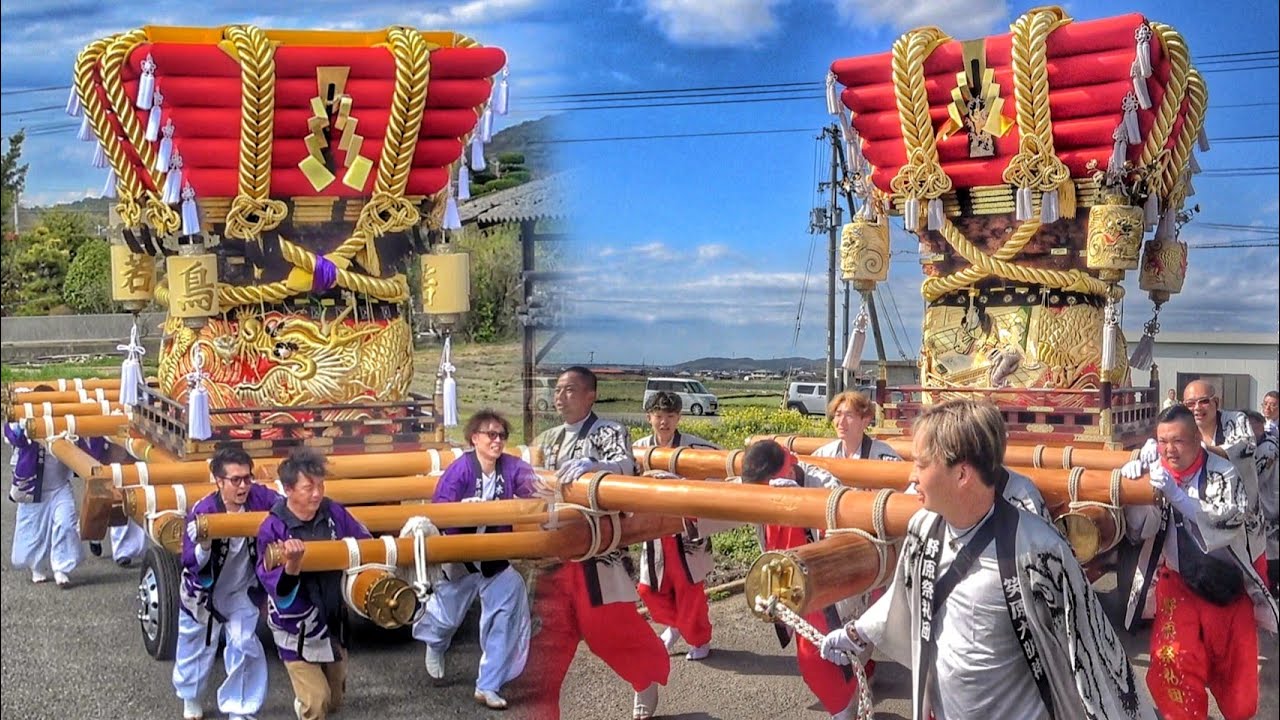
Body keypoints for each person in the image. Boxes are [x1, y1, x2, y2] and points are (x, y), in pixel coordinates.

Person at [820, 399, 1155, 720]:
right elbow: (905, 595)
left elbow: (1092, 647)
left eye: (922, 464)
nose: (912, 476)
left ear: (962, 474)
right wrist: (858, 631)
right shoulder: (924, 528)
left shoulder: (1037, 548)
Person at [1120, 405, 1277, 720]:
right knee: (1172, 662)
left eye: (1177, 441)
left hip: (1228, 588)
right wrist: (1138, 493)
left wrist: (1177, 496)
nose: (1169, 449)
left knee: (1240, 693)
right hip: (1179, 586)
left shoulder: (1224, 471)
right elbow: (1140, 533)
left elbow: (1227, 524)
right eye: (1162, 442)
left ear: (1196, 438)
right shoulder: (1158, 470)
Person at [530, 366, 669, 720]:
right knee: (544, 646)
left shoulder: (609, 430)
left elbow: (624, 464)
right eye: (558, 390)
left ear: (591, 395)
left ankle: (643, 677)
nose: (560, 397)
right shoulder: (546, 439)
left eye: (570, 390)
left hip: (597, 553)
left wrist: (594, 466)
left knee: (607, 632)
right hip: (552, 552)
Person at [414, 410, 538, 710]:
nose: (497, 440)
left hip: (495, 558)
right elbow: (440, 511)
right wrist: (466, 510)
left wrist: (560, 484)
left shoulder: (510, 467)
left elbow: (535, 485)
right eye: (490, 435)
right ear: (475, 438)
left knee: (507, 609)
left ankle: (489, 684)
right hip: (460, 557)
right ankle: (436, 643)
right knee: (445, 617)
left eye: (501, 435)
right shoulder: (460, 470)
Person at [742, 440, 863, 720]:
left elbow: (847, 521)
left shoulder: (822, 482)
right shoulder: (755, 486)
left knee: (820, 657)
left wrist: (805, 504)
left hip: (826, 580)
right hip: (788, 580)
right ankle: (848, 700)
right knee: (824, 656)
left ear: (786, 472)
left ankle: (845, 710)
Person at [256, 447, 371, 720]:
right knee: (317, 703)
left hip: (332, 619)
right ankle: (308, 706)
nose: (317, 493)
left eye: (321, 485)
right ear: (288, 489)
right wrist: (293, 565)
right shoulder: (272, 528)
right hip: (295, 626)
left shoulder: (333, 512)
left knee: (334, 700)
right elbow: (275, 586)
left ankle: (306, 706)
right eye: (309, 488)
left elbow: (363, 543)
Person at [174, 446, 280, 720]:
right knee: (196, 645)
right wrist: (205, 545)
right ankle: (191, 695)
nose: (243, 485)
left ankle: (240, 709)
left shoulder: (260, 498)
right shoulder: (204, 510)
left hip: (242, 589)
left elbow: (285, 506)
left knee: (244, 643)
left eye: (247, 478)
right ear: (219, 481)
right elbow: (189, 560)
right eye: (236, 480)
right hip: (204, 589)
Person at [634, 391, 719, 661]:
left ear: (679, 418)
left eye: (670, 416)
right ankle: (675, 625)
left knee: (690, 591)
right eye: (659, 416)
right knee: (649, 590)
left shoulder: (694, 449)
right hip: (653, 531)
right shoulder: (637, 448)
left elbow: (720, 467)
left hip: (686, 531)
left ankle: (699, 638)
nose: (664, 422)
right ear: (649, 417)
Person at [3, 421, 105, 587]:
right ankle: (36, 566)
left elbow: (87, 447)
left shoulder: (64, 418)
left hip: (60, 486)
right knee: (33, 529)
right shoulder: (26, 414)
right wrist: (22, 427)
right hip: (33, 486)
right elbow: (13, 435)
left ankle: (61, 567)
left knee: (66, 524)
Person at [1244, 410, 1279, 596]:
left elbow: (1253, 478)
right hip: (1268, 506)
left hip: (1269, 508)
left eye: (1249, 427)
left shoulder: (1267, 449)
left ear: (1259, 425)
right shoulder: (1268, 444)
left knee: (1271, 554)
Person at [812, 391, 901, 461]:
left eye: (849, 416)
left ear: (865, 421)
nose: (841, 422)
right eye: (838, 415)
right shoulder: (824, 454)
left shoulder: (883, 456)